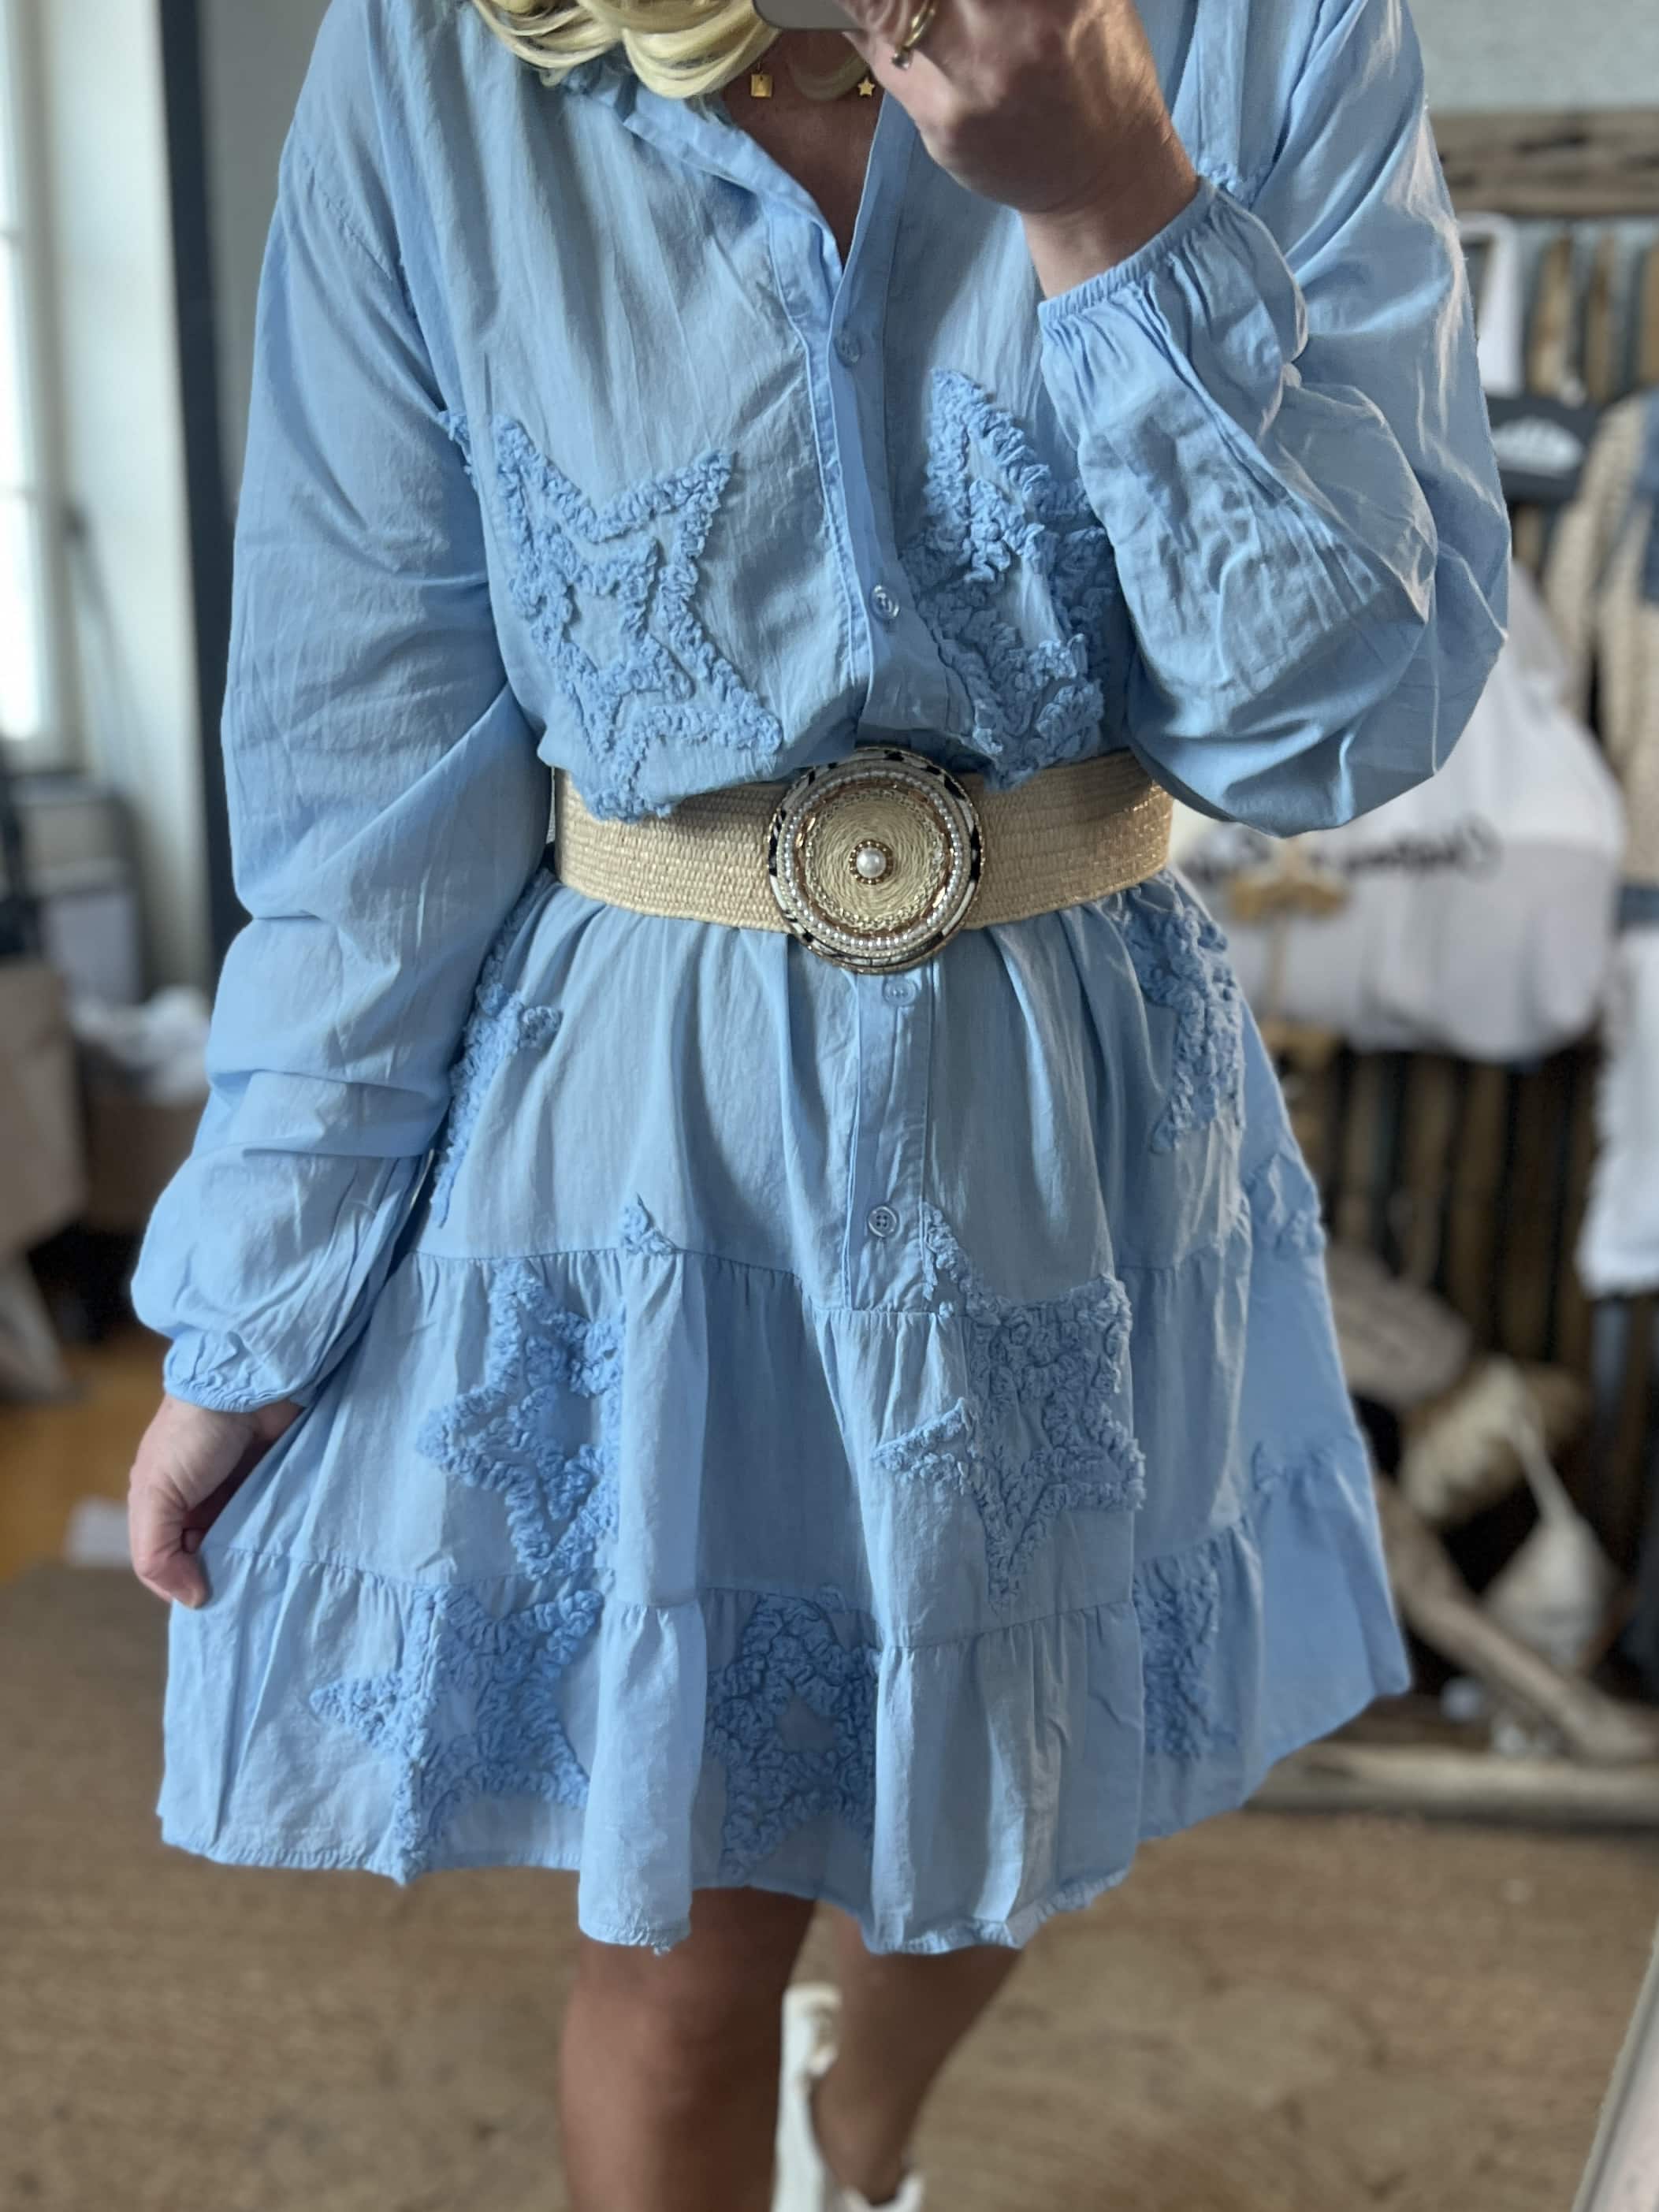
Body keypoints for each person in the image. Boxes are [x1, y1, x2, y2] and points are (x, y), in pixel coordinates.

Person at [123, 1, 1509, 2206]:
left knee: (1004, 1823)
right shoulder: (434, 57)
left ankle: (856, 2138)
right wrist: (258, 1310)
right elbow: (365, 765)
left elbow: (1337, 724)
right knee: (682, 1948)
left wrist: (1110, 197)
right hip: (656, 1145)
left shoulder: (1270, 25)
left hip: (1065, 1130)